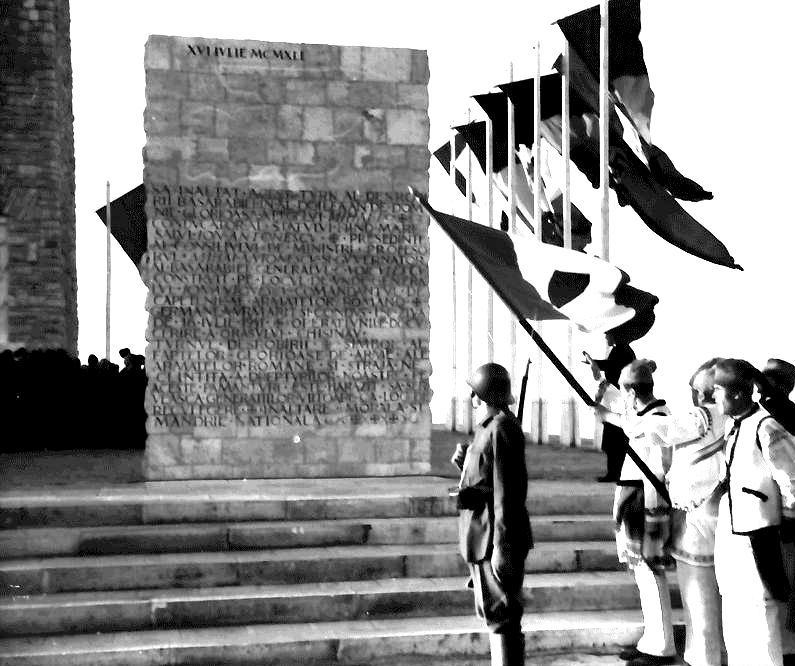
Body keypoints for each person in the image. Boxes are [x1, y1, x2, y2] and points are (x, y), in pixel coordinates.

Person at [592, 359, 677, 666]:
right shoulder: (644, 414)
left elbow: (634, 424)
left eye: (625, 392)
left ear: (632, 392)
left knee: (650, 570)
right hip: (633, 495)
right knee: (642, 571)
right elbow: (626, 416)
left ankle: (663, 645)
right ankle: (653, 640)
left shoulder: (658, 419)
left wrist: (608, 414)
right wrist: (603, 389)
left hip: (645, 498)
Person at [712, 358, 795, 666]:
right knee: (733, 604)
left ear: (736, 394)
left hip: (759, 531)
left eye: (718, 390)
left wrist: (787, 519)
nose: (714, 397)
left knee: (762, 609)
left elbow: (791, 478)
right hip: (732, 529)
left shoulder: (766, 426)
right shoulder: (736, 426)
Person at [452, 362, 532, 666]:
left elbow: (508, 494)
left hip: (493, 538)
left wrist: (503, 547)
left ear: (480, 396)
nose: (471, 400)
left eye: (474, 394)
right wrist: (464, 465)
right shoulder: (488, 429)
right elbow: (488, 479)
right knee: (495, 613)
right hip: (481, 536)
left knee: (502, 616)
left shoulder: (501, 427)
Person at [586, 334, 636, 482]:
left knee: (615, 441)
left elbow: (613, 366)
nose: (605, 337)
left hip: (618, 400)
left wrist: (595, 364)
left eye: (607, 334)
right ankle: (613, 473)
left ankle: (616, 473)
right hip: (614, 398)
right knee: (611, 441)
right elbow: (611, 365)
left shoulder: (622, 350)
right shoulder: (620, 350)